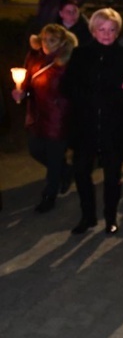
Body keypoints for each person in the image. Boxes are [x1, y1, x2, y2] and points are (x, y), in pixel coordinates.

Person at [61, 8, 123, 235]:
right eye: (102, 29)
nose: (106, 34)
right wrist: (100, 95)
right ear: (94, 30)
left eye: (111, 30)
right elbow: (67, 87)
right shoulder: (80, 55)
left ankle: (110, 218)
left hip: (114, 128)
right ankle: (88, 217)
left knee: (112, 176)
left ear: (117, 32)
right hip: (84, 127)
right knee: (82, 173)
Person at [12, 24, 78, 213]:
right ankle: (66, 171)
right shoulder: (34, 57)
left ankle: (49, 195)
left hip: (59, 116)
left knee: (54, 157)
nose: (47, 44)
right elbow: (25, 81)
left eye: (52, 40)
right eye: (44, 40)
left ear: (62, 42)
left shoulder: (67, 61)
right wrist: (21, 92)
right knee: (35, 150)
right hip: (37, 114)